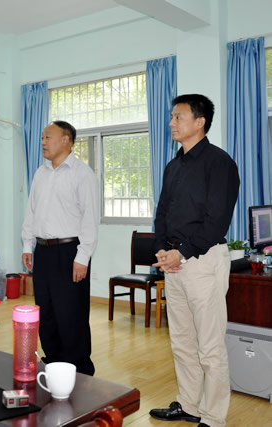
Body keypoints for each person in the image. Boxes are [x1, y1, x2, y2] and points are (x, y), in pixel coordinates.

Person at [149, 94, 239, 427]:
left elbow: (217, 221)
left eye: (178, 117)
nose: (171, 123)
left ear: (199, 122)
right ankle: (190, 405)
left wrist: (182, 252)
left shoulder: (219, 163)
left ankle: (213, 418)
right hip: (173, 263)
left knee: (209, 346)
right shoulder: (173, 165)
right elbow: (162, 213)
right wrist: (162, 250)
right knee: (182, 342)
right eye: (172, 117)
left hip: (203, 260)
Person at [21, 120, 99, 376]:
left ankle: (80, 369)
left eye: (48, 137)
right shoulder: (40, 173)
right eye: (42, 137)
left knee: (71, 313)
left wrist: (83, 257)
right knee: (46, 311)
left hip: (69, 252)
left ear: (66, 140)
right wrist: (27, 244)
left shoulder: (82, 174)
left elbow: (90, 219)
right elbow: (31, 211)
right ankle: (53, 361)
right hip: (43, 251)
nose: (43, 142)